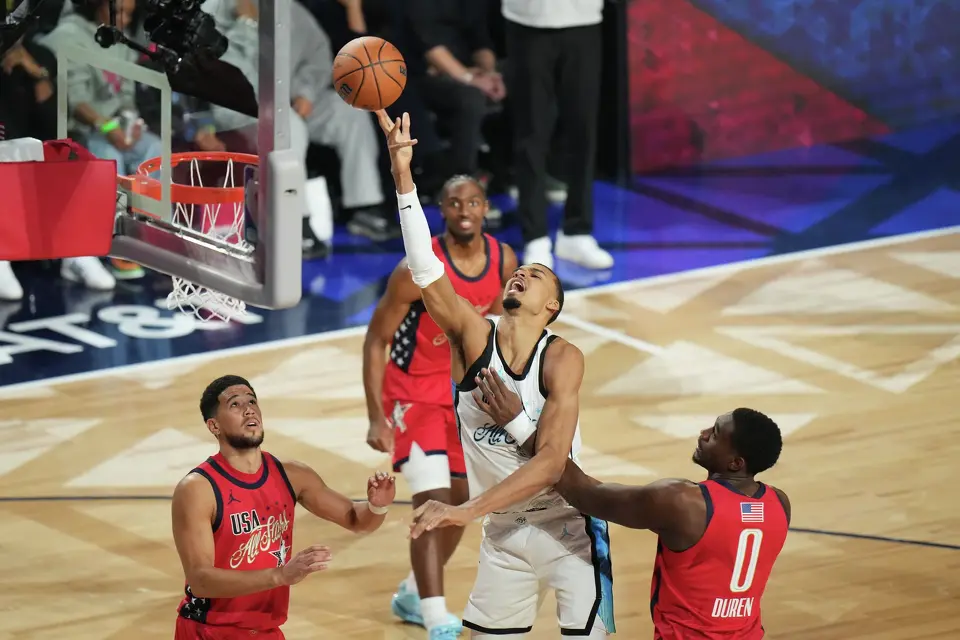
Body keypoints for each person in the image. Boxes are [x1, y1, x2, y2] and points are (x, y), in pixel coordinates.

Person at [377, 109, 614, 638]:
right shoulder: (472, 336)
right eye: (523, 270)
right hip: (504, 532)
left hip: (568, 525)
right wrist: (402, 177)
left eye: (539, 276)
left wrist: (467, 507)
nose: (524, 273)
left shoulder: (562, 357)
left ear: (551, 307)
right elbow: (425, 271)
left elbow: (552, 462)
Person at [362, 174, 517, 636]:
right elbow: (377, 339)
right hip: (412, 394)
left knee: (463, 504)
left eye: (472, 202)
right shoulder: (416, 268)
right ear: (442, 210)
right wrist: (375, 414)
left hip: (465, 394)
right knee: (433, 499)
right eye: (454, 203)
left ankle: (412, 592)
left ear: (485, 207)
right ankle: (435, 619)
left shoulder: (504, 259)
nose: (464, 210)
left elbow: (506, 332)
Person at [171, 375, 397, 639]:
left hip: (266, 631)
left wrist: (377, 507)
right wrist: (280, 575)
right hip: (209, 631)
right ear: (214, 426)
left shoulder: (292, 475)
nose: (249, 409)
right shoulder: (198, 489)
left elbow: (358, 521)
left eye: (252, 401)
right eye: (235, 404)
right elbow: (200, 581)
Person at [555, 408, 789, 639]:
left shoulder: (683, 502)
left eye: (715, 434)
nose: (704, 433)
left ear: (736, 463)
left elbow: (585, 496)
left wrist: (529, 434)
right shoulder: (779, 504)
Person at [501, 0, 613, 271]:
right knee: (532, 132)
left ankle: (576, 231)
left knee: (583, 130)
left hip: (584, 20)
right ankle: (535, 236)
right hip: (528, 22)